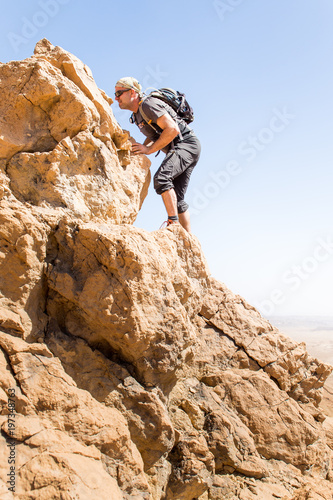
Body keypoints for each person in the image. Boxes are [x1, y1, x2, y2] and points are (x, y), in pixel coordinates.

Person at [114, 77, 201, 232]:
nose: (116, 98)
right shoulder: (137, 114)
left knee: (162, 178)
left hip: (186, 145)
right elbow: (154, 133)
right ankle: (187, 239)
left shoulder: (148, 104)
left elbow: (172, 129)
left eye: (119, 93)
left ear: (132, 92)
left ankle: (173, 225)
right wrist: (143, 146)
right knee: (178, 199)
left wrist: (148, 150)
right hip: (186, 147)